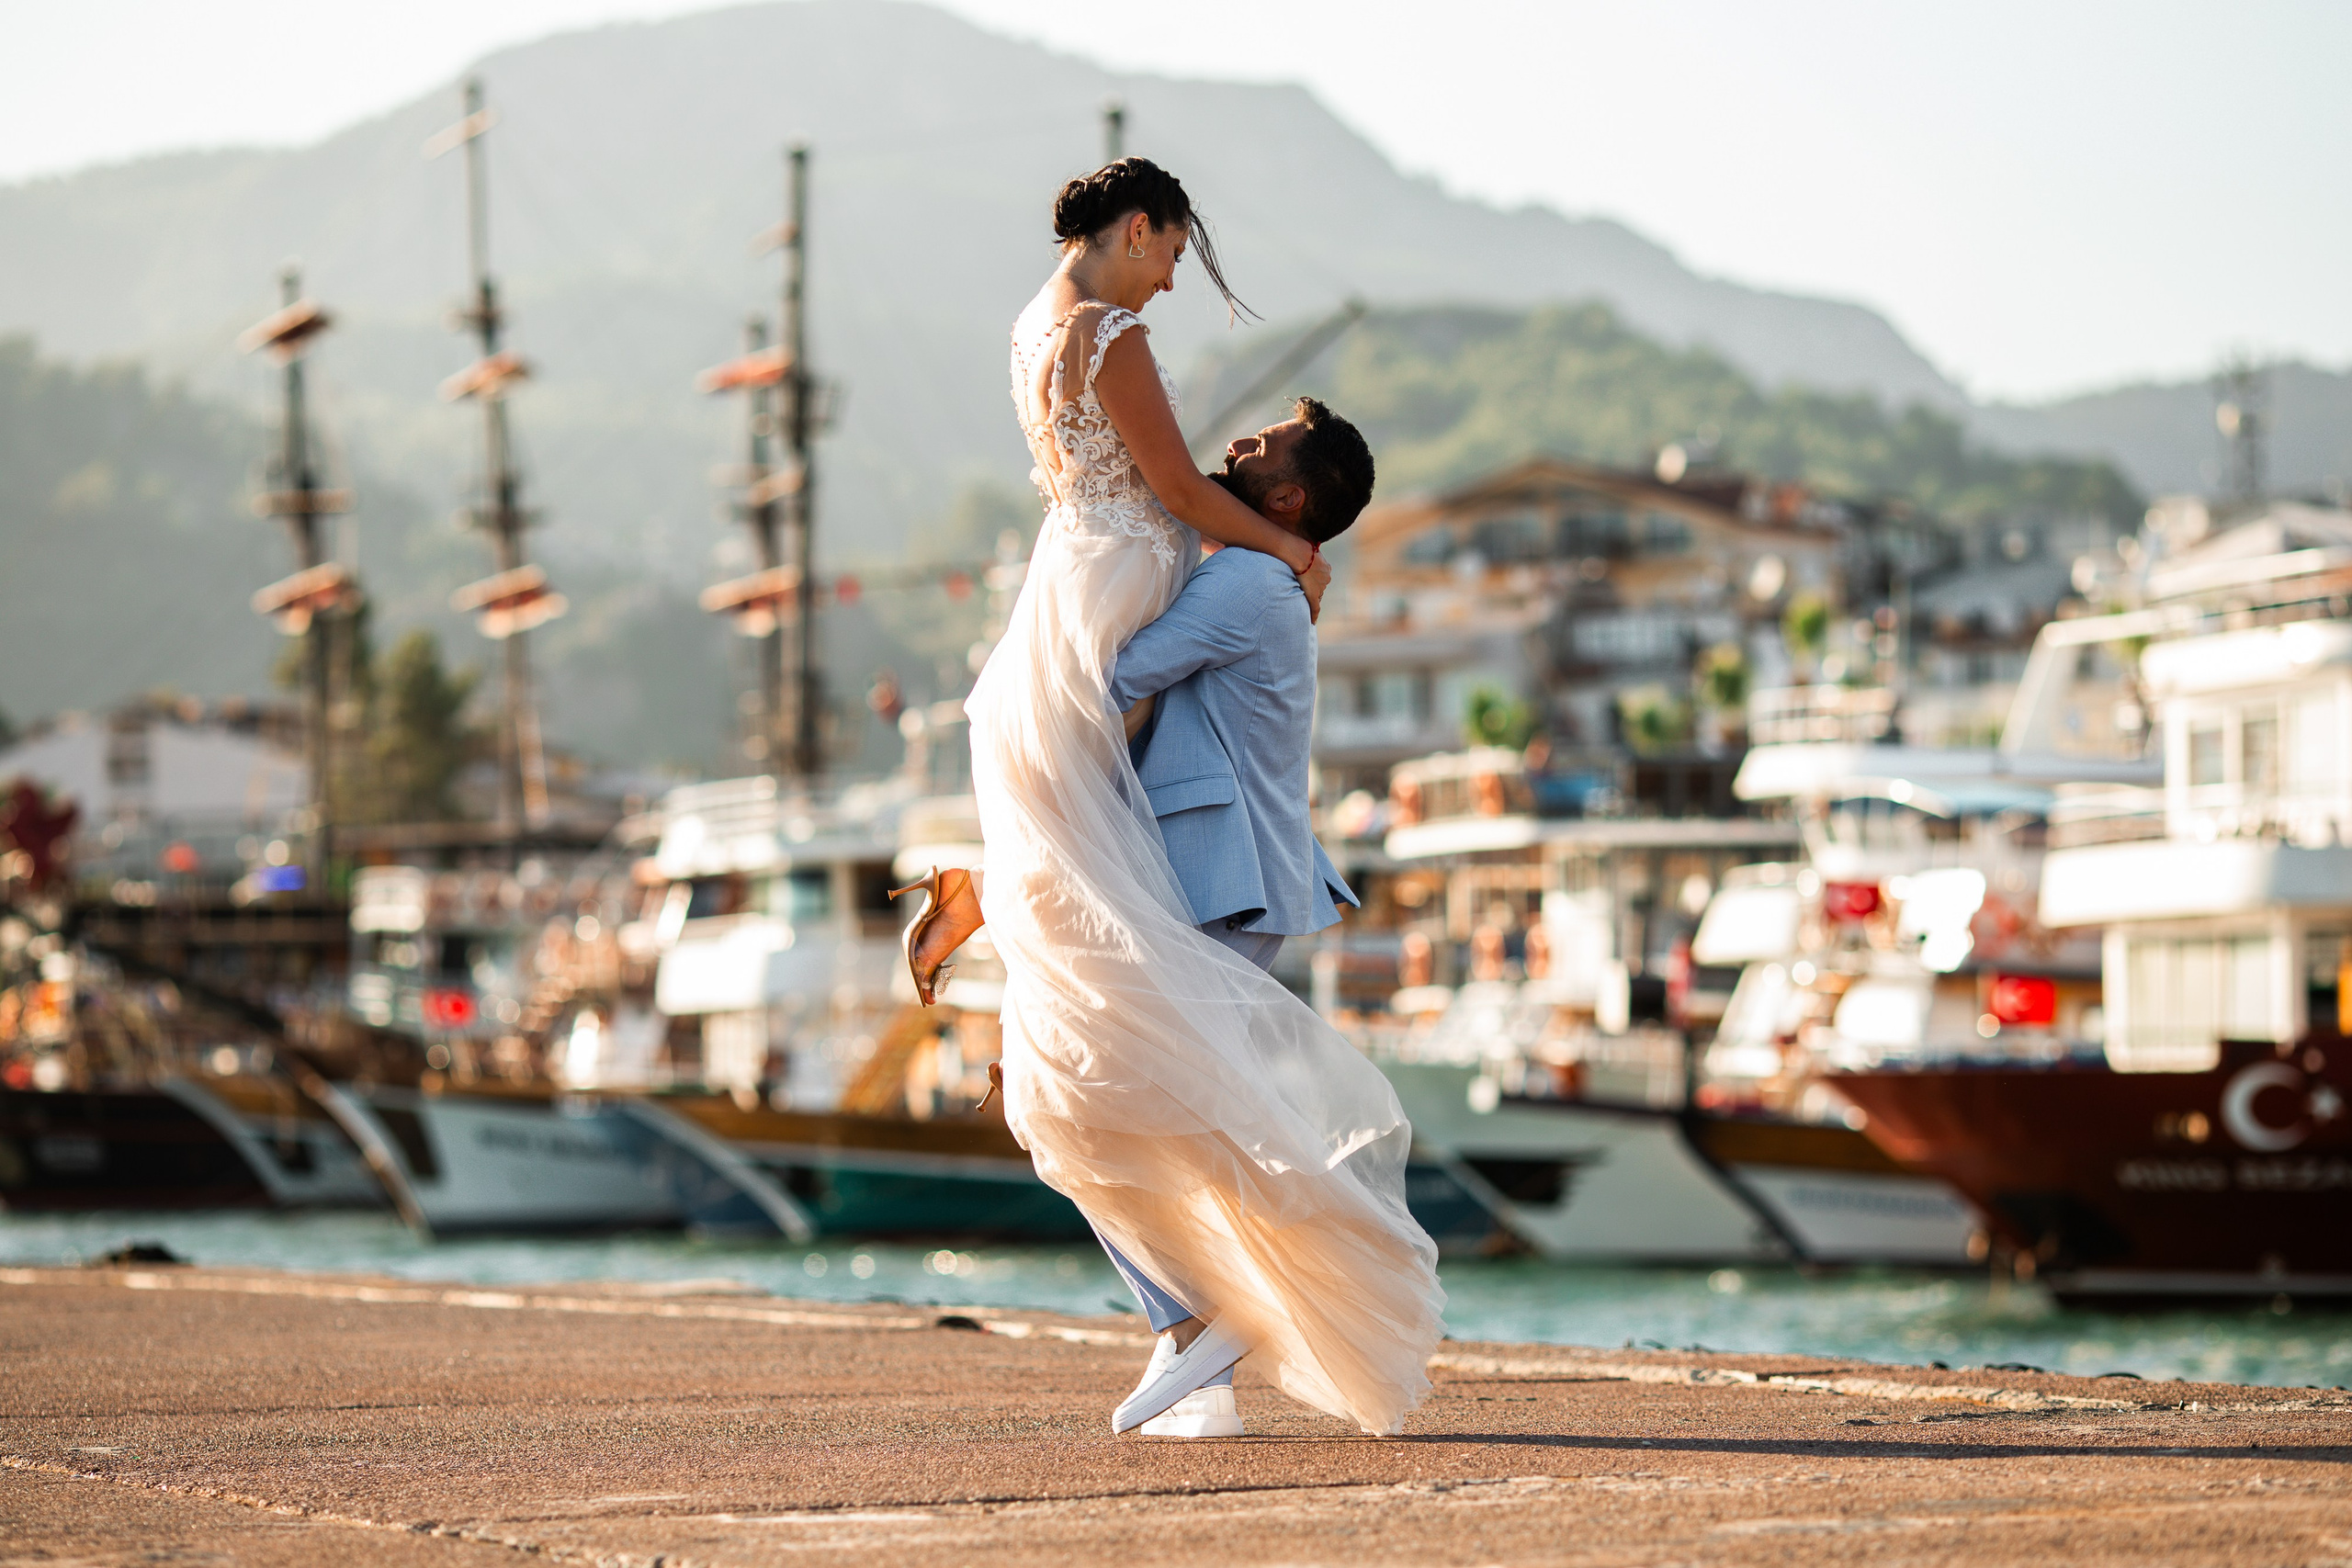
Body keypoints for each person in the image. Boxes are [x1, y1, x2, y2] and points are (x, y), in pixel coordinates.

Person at [897, 158, 1443, 1438]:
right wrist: (1293, 548)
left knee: (1095, 1077)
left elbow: (1165, 545)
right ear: (1135, 229)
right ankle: (1200, 1320)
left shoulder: (1039, 324)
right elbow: (1187, 494)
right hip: (1125, 579)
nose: (1174, 279)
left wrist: (1261, 549)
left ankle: (1209, 1315)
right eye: (1173, 252)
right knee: (1085, 1077)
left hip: (1091, 590)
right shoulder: (1119, 341)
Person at [1092, 397, 1377, 1438]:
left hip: (1219, 874)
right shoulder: (1266, 575)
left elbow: (1115, 674)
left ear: (1288, 497)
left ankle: (1202, 1317)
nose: (1238, 446)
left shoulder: (1252, 582)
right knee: (1127, 1100)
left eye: (1260, 447)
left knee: (1094, 1096)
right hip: (1214, 870)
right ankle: (1196, 1359)